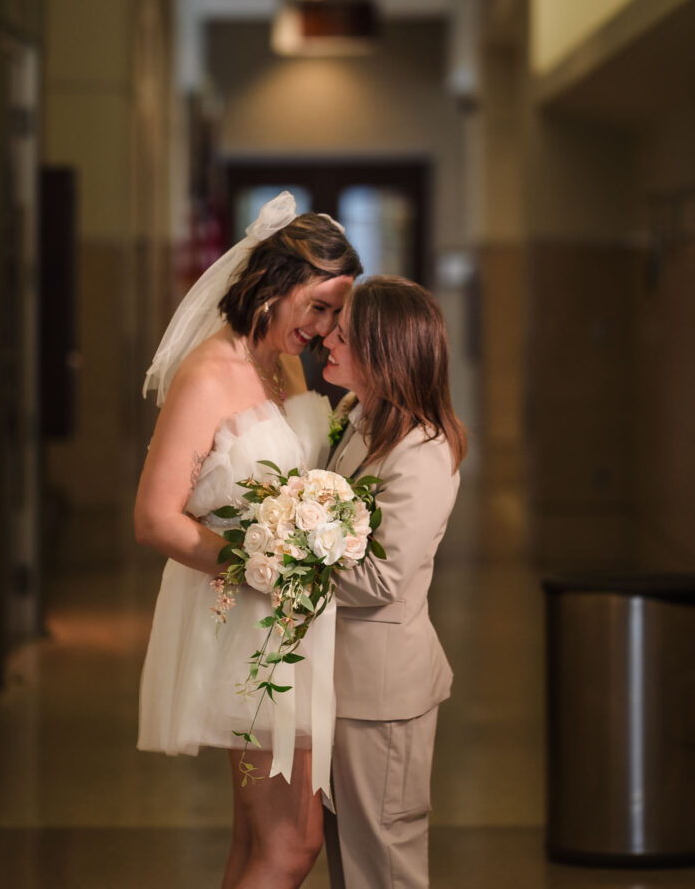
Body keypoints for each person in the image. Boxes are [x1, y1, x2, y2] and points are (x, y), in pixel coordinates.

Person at [134, 191, 362, 889]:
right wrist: (258, 562)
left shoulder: (283, 364)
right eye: (319, 307)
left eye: (336, 313)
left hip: (293, 627)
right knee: (293, 843)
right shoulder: (209, 376)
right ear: (277, 284)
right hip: (249, 630)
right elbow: (154, 517)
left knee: (259, 840)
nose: (326, 328)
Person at [321, 275, 466, 889]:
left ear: (383, 354)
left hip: (382, 695)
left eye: (345, 334)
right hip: (341, 681)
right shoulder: (356, 415)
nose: (326, 338)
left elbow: (382, 577)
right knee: (346, 858)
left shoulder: (423, 450)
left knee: (383, 863)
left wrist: (277, 564)